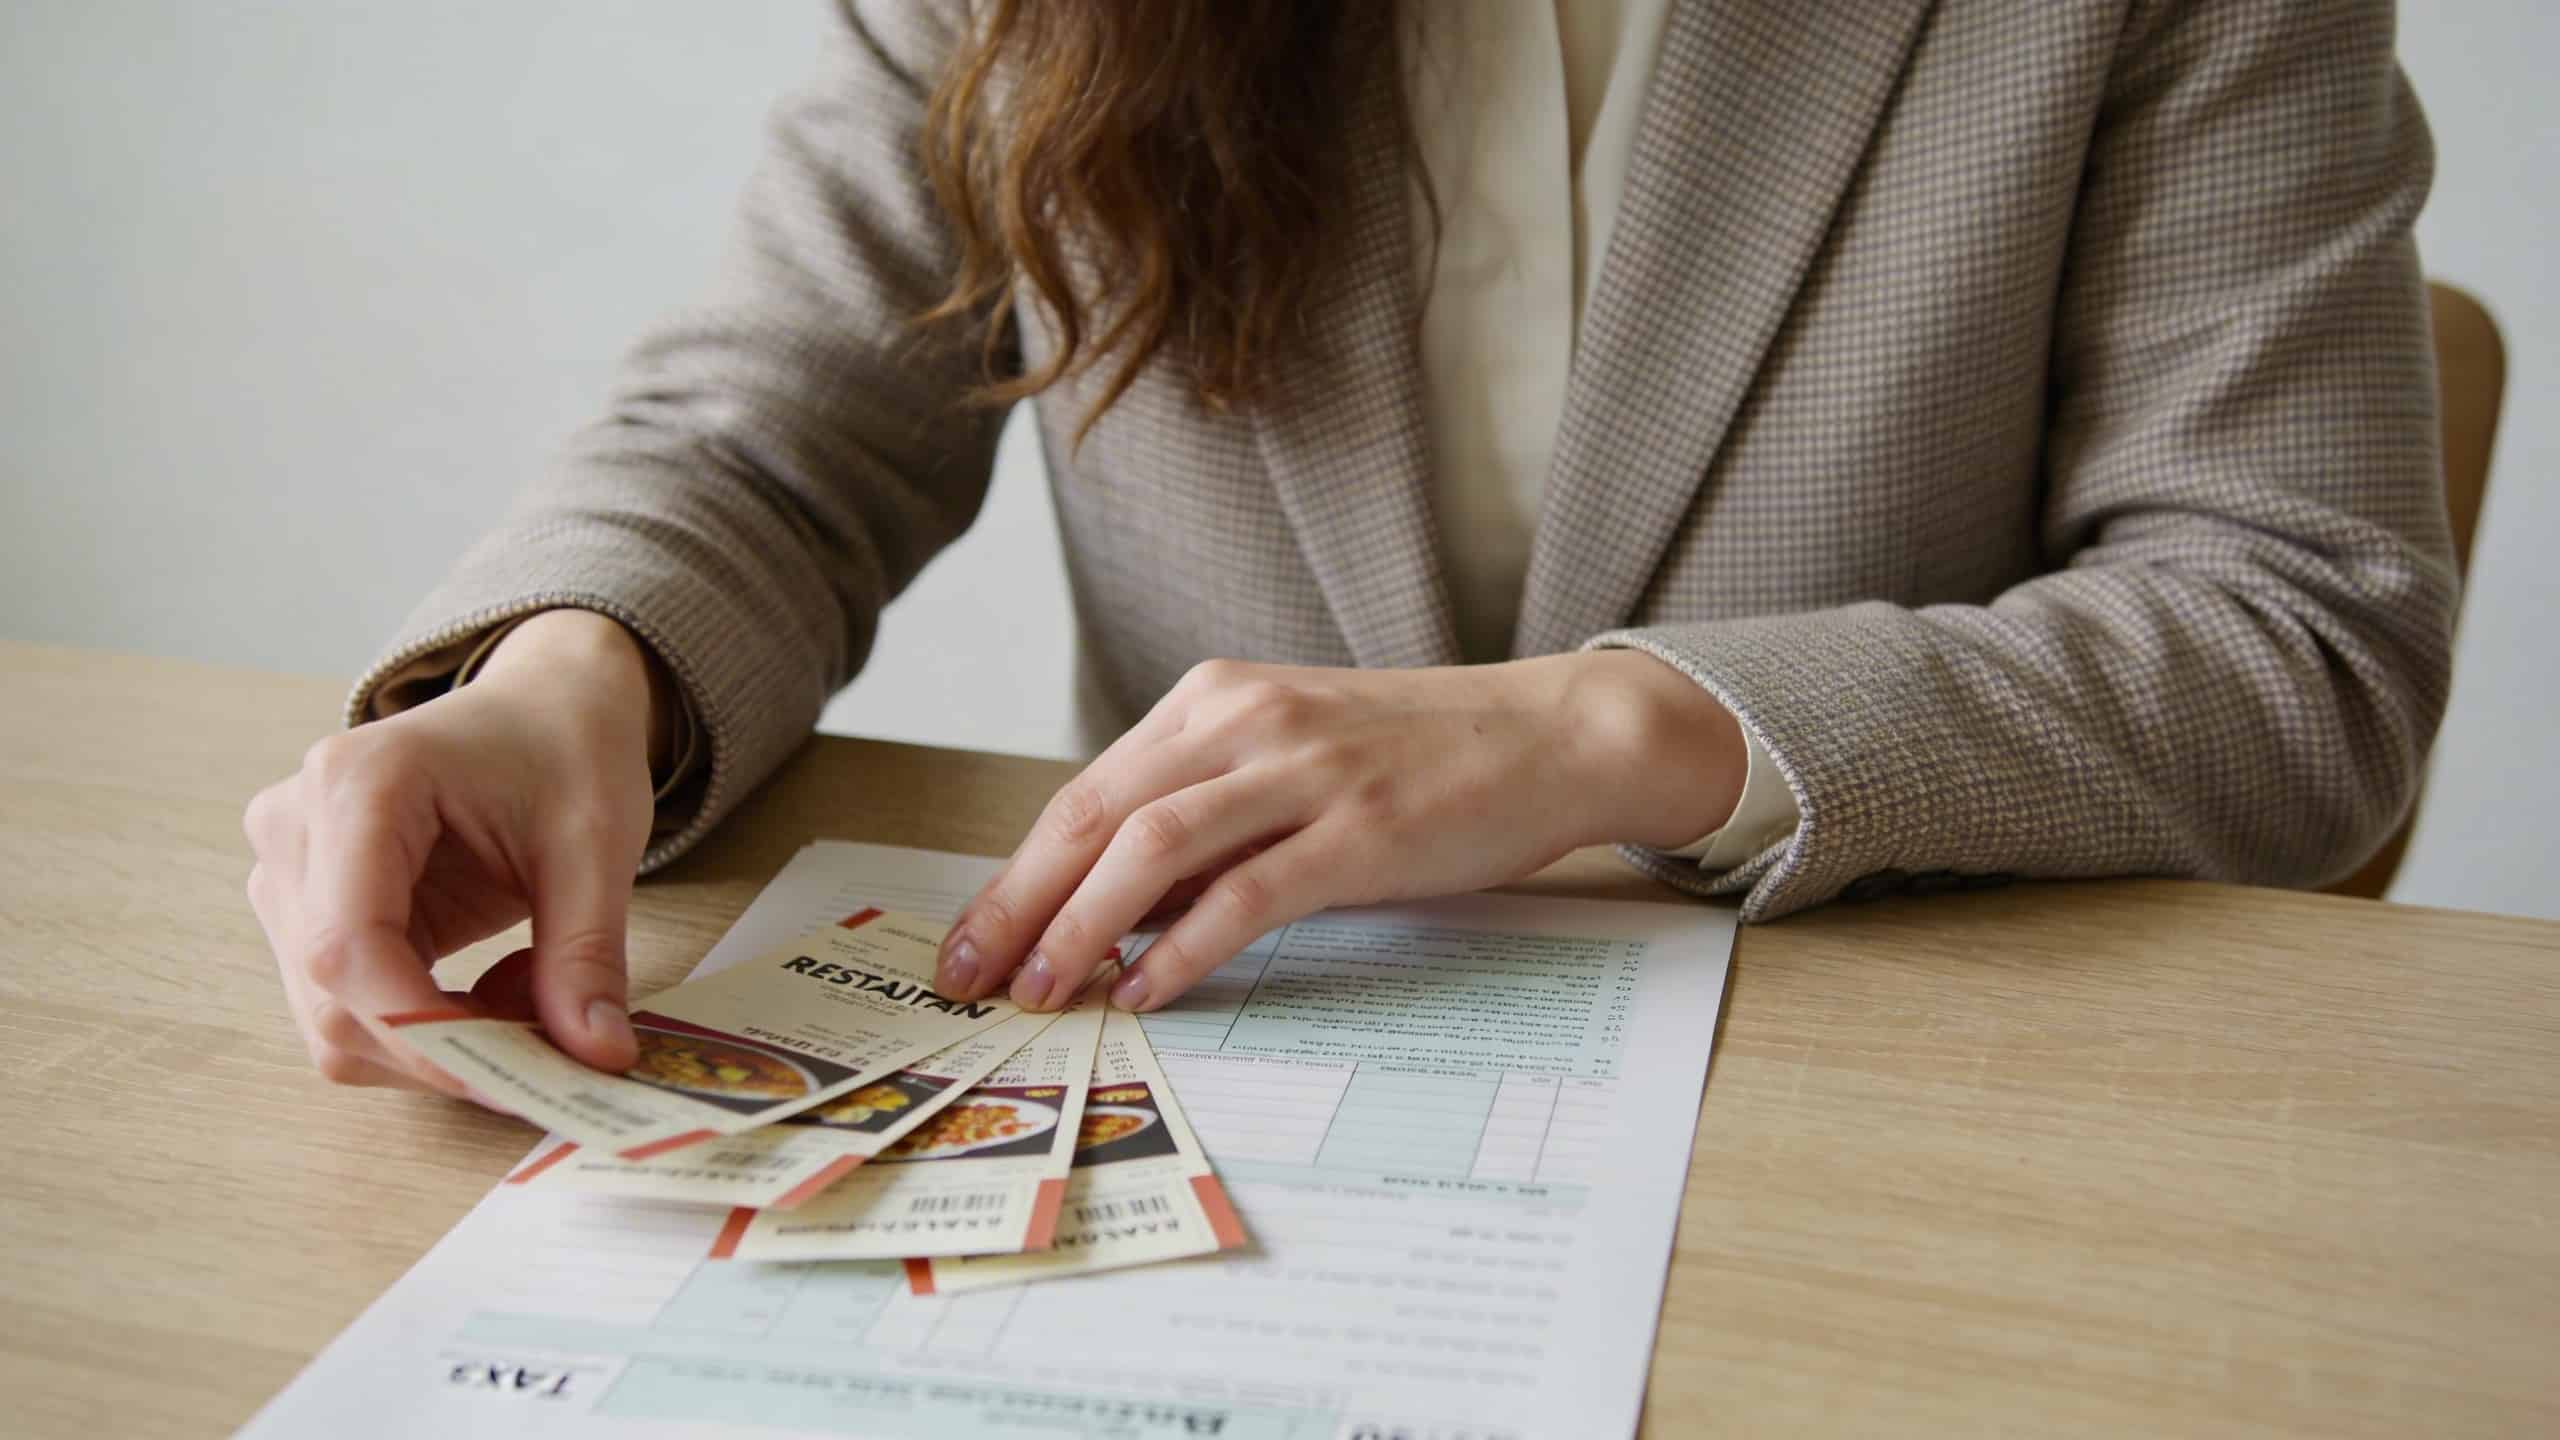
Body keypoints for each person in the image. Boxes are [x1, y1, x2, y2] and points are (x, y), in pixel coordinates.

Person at [243, 0, 2453, 1096]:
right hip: (1210, 1066)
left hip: (1901, 1089)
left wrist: (1612, 733)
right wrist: (565, 671)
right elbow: (777, 423)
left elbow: (2298, 634)